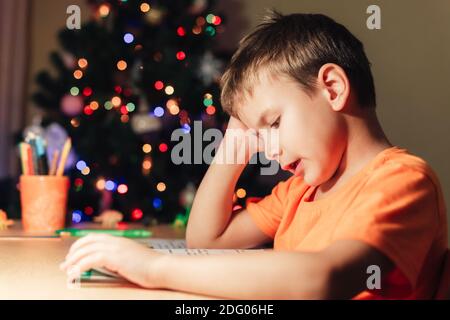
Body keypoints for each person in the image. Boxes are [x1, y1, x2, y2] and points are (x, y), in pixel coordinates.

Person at [60, 11, 448, 299]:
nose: (267, 147)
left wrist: (153, 267)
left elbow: (323, 278)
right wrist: (233, 147)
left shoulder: (402, 181)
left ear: (332, 87)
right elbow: (207, 241)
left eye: (274, 122)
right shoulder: (300, 192)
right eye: (256, 134)